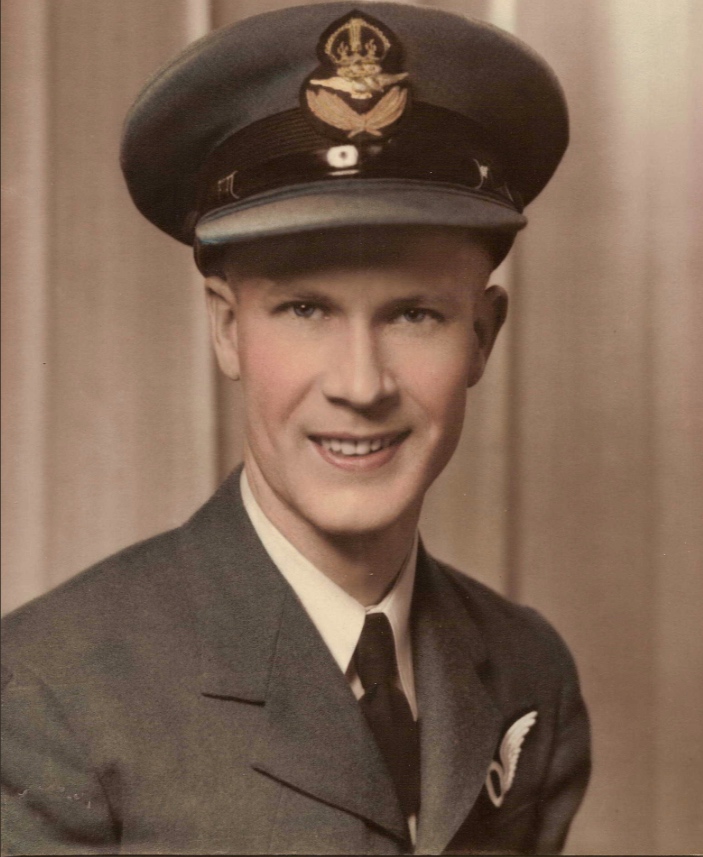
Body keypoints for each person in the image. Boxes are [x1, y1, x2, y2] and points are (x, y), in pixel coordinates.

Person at [1, 3, 590, 854]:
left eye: (415, 314)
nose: (360, 384)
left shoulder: (528, 667)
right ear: (226, 329)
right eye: (304, 309)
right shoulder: (46, 692)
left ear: (482, 335)